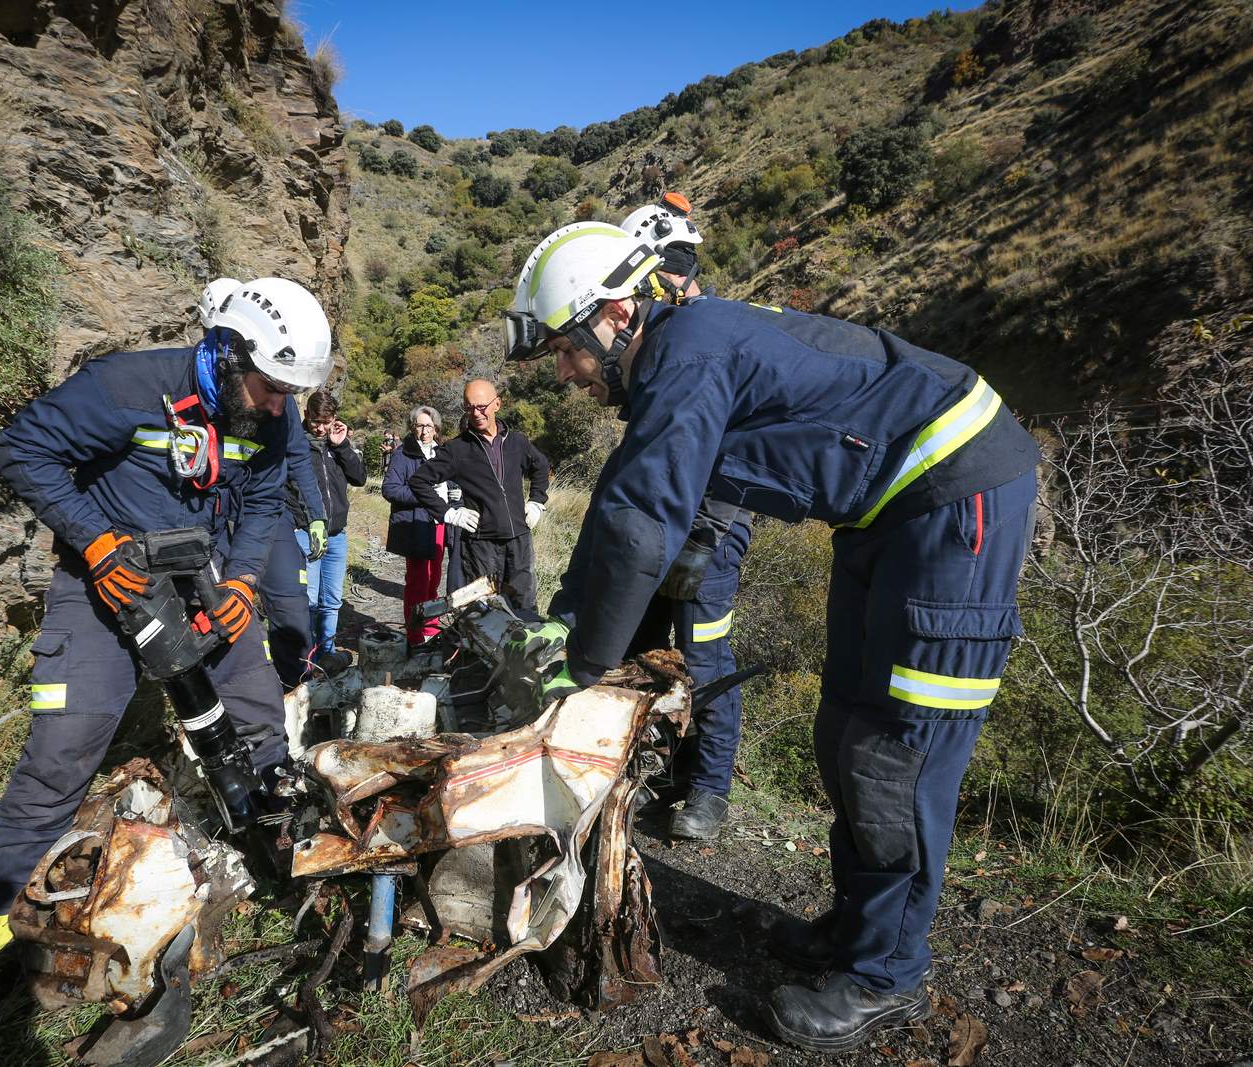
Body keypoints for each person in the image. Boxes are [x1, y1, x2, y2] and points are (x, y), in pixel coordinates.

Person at [503, 222, 1039, 1052]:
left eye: (568, 350)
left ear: (617, 312)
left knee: (895, 749)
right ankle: (856, 929)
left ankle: (886, 973)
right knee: (845, 725)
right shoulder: (674, 360)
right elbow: (621, 503)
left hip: (953, 497)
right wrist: (566, 621)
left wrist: (580, 667)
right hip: (882, 514)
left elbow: (643, 527)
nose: (567, 372)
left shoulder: (686, 358)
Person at [0, 277, 333, 989]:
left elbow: (264, 499)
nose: (280, 406)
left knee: (259, 718)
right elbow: (21, 449)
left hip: (203, 580)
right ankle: (3, 919)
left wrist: (241, 580)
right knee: (65, 747)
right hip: (103, 585)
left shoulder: (272, 414)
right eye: (270, 388)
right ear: (228, 354)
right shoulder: (125, 386)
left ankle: (274, 855)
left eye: (290, 393)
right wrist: (95, 542)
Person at [616, 195, 753, 842]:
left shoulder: (710, 334)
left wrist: (709, 533)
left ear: (668, 270)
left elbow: (732, 450)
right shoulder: (665, 338)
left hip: (712, 527)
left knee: (704, 657)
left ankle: (710, 791)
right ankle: (670, 773)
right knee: (649, 652)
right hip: (666, 522)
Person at [199, 278, 326, 690]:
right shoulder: (197, 389)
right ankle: (237, 694)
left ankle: (298, 688)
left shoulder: (277, 398)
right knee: (221, 610)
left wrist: (316, 515)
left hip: (270, 513)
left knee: (291, 606)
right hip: (213, 516)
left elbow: (298, 456)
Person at [408, 380, 550, 616]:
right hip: (481, 546)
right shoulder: (457, 449)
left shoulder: (517, 442)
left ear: (497, 404)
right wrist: (448, 513)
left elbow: (541, 466)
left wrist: (537, 501)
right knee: (486, 613)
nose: (476, 413)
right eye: (469, 407)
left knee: (525, 608)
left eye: (482, 406)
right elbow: (419, 481)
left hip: (520, 541)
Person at [287, 391, 364, 671]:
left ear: (334, 419)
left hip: (337, 534)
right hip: (304, 532)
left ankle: (327, 654)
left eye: (326, 421)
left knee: (331, 601)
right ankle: (306, 660)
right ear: (306, 415)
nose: (320, 428)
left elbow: (359, 478)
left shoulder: (337, 445)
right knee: (308, 600)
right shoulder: (295, 445)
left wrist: (342, 447)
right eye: (316, 421)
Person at [382, 406, 458, 645]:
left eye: (429, 426)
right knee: (418, 582)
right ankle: (415, 635)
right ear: (412, 427)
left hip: (439, 524)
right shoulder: (402, 454)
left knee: (434, 579)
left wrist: (453, 491)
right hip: (416, 524)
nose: (425, 431)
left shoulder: (442, 453)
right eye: (420, 425)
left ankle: (431, 628)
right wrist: (424, 496)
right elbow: (390, 489)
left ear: (437, 428)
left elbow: (452, 481)